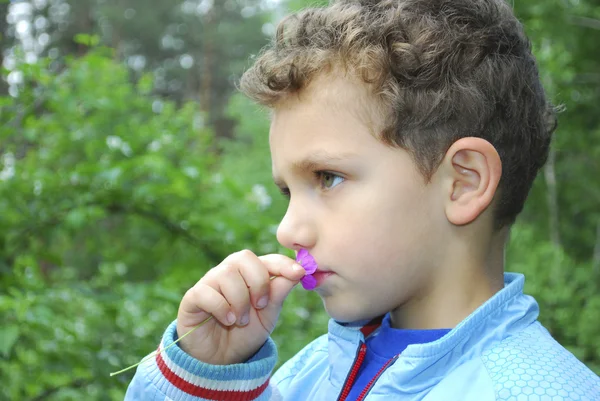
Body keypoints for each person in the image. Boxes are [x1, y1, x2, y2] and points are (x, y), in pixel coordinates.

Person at [124, 0, 600, 400]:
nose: (288, 230)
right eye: (288, 191)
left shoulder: (538, 391)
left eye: (327, 177)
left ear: (463, 183)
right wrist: (206, 378)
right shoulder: (307, 374)